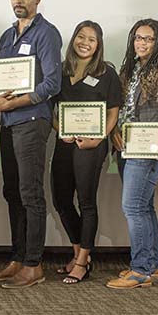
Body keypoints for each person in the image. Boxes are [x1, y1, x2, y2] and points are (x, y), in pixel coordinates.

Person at [0, 0, 62, 289]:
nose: (18, 0)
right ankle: (17, 258)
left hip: (32, 122)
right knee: (12, 193)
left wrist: (14, 101)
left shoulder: (47, 33)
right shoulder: (6, 36)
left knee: (31, 194)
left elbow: (52, 85)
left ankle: (33, 265)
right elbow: (4, 80)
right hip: (8, 123)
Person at [106, 18, 158, 289]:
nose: (142, 43)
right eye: (138, 38)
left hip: (152, 150)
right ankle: (152, 265)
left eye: (148, 38)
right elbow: (123, 107)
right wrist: (114, 131)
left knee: (132, 207)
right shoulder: (129, 68)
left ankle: (139, 270)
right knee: (144, 206)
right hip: (127, 148)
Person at [50, 21, 122, 284]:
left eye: (92, 39)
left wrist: (99, 137)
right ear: (73, 40)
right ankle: (79, 251)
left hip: (92, 145)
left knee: (87, 202)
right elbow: (51, 111)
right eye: (81, 36)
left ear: (98, 45)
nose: (85, 42)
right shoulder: (59, 71)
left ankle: (81, 261)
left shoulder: (106, 73)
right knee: (60, 200)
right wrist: (61, 130)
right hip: (64, 143)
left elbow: (113, 111)